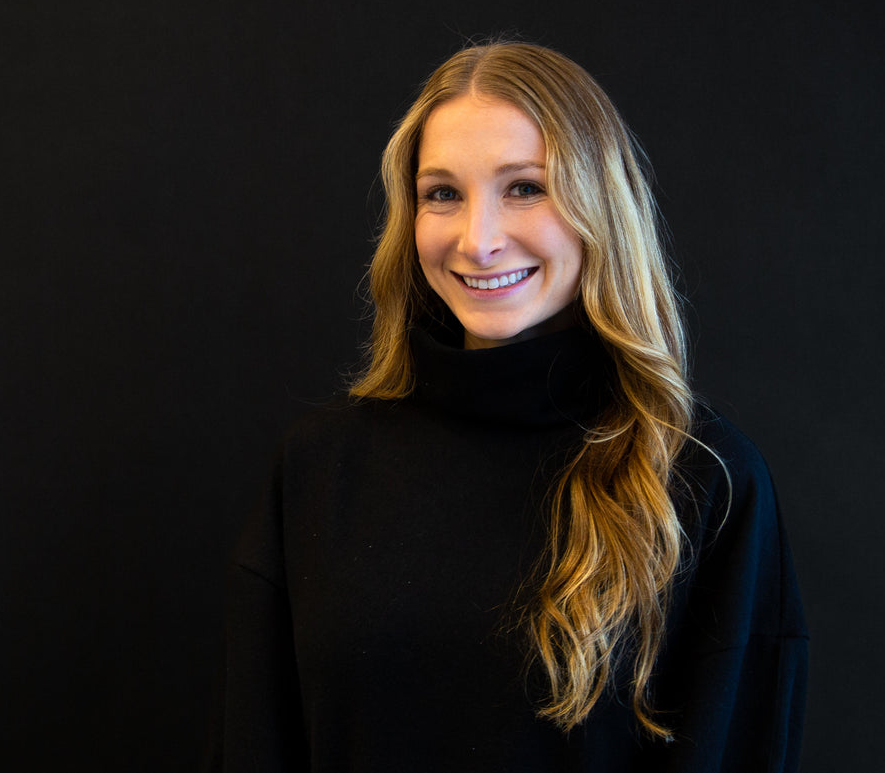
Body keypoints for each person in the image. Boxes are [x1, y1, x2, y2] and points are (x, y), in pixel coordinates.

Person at [208, 41, 807, 772]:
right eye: (443, 193)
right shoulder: (320, 469)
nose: (479, 239)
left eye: (524, 187)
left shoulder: (703, 482)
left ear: (599, 207)